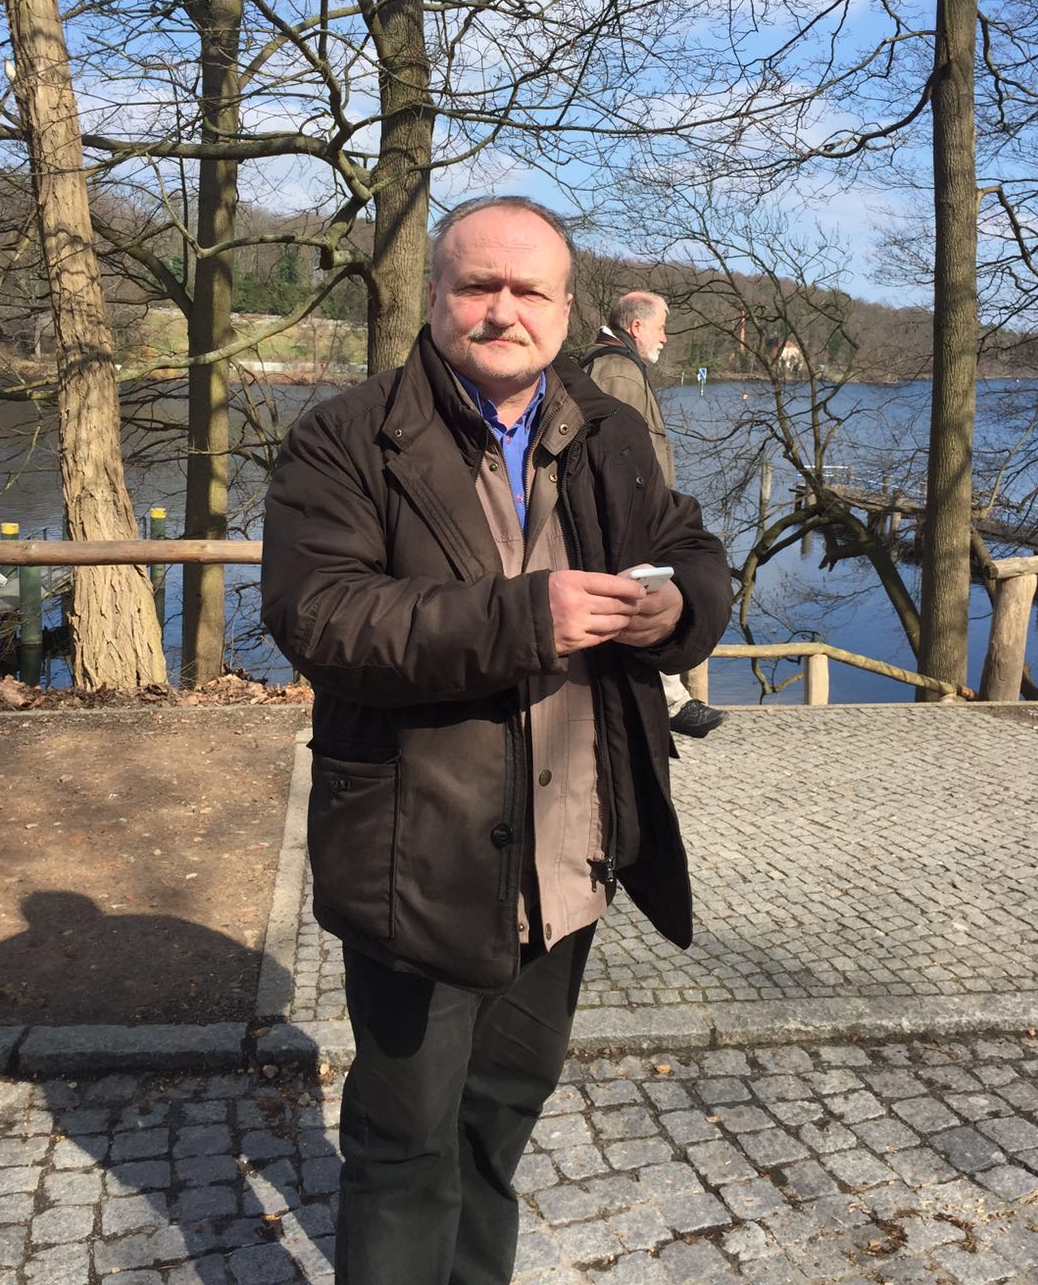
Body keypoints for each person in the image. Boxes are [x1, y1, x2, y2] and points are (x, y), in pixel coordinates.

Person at [261, 195, 732, 1285]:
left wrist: (677, 608)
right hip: (417, 860)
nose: (503, 309)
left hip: (570, 857)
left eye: (530, 290)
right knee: (404, 1145)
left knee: (499, 1121)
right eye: (479, 285)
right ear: (436, 297)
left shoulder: (606, 430)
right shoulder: (346, 436)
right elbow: (320, 616)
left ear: (566, 311)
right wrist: (525, 619)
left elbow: (689, 544)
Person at [582, 291, 728, 740]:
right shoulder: (618, 372)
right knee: (640, 600)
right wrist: (642, 511)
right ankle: (666, 703)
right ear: (636, 326)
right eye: (661, 327)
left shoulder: (616, 366)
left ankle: (665, 701)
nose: (665, 337)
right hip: (631, 513)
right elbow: (615, 453)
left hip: (638, 510)